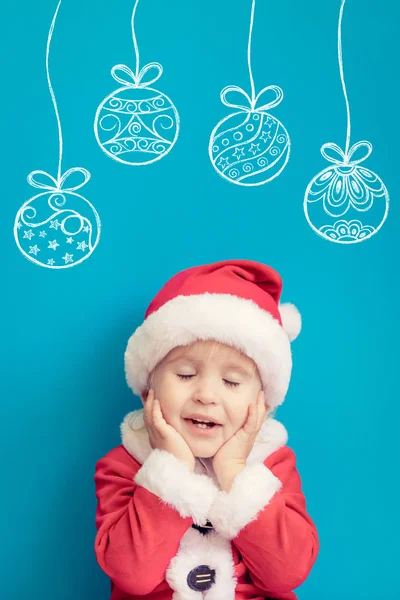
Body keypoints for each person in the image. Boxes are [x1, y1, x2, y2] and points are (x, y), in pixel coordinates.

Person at [94, 259, 320, 599]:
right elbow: (132, 575)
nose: (206, 396)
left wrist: (234, 472)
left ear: (264, 403)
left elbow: (286, 574)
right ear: (147, 390)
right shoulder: (124, 465)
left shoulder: (273, 464)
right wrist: (170, 470)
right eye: (185, 375)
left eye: (231, 381)